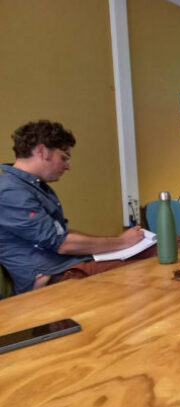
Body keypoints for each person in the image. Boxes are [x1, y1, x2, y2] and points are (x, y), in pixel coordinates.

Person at [0, 120, 151, 295]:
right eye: (64, 158)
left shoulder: (35, 187)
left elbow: (63, 233)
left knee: (165, 246)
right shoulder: (10, 190)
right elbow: (62, 244)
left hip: (69, 264)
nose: (68, 166)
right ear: (42, 151)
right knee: (146, 269)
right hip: (53, 275)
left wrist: (118, 242)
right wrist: (121, 242)